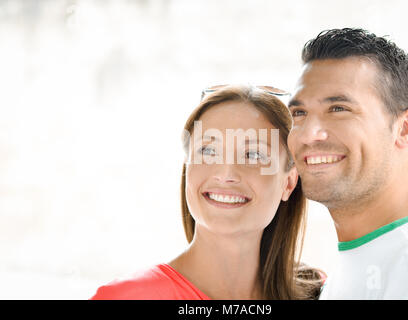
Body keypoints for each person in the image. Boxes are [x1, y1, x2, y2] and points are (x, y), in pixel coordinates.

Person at [91, 85, 323, 300]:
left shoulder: (321, 291)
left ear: (289, 183)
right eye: (208, 151)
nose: (226, 173)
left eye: (253, 155)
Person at [287, 28, 408, 299]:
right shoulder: (376, 255)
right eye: (299, 113)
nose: (308, 134)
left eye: (338, 109)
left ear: (406, 128)